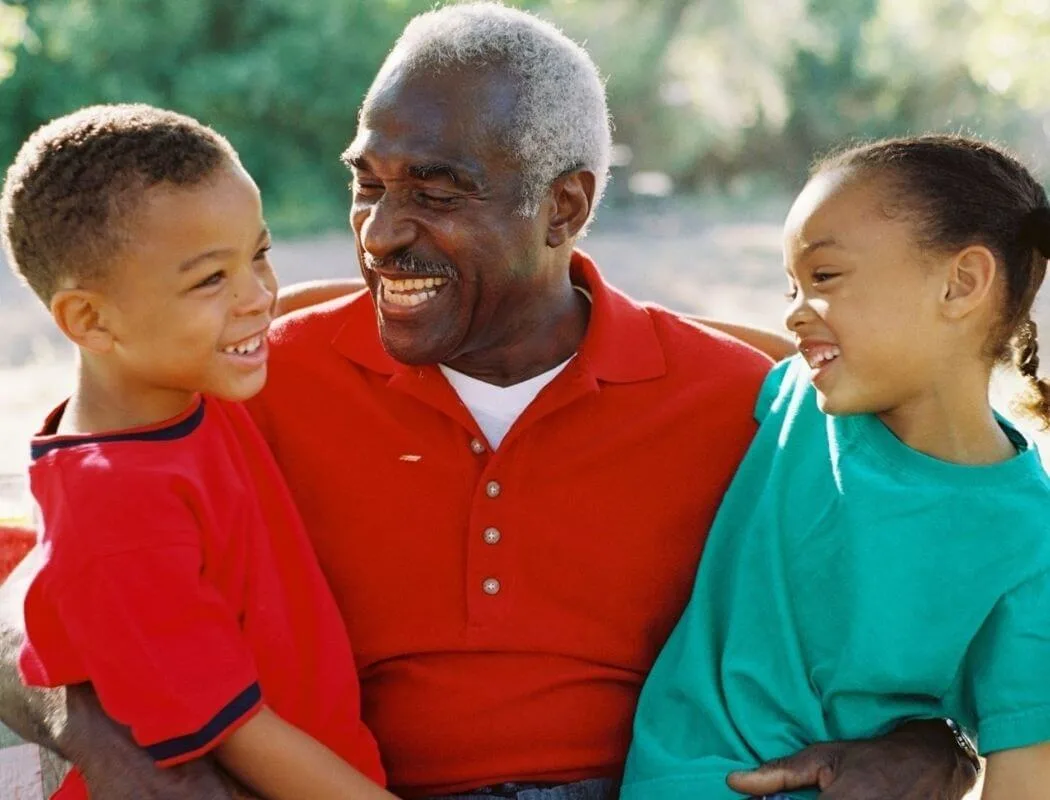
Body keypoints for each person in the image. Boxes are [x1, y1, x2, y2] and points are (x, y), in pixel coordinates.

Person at [0, 5, 978, 800]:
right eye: (368, 184)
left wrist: (945, 737)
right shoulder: (247, 375)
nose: (381, 234)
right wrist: (118, 747)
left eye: (436, 190)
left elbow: (976, 579)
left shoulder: (748, 399)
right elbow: (43, 585)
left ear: (565, 205)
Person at [621, 134, 1050, 800]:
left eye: (824, 278)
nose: (794, 311)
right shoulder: (793, 394)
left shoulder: (1029, 543)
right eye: (790, 285)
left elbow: (1026, 775)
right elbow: (623, 332)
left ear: (961, 283)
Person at [0, 104, 393, 800]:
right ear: (90, 319)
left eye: (260, 254)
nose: (257, 297)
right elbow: (237, 730)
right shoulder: (119, 508)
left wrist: (404, 300)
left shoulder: (182, 379)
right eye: (211, 279)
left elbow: (295, 311)